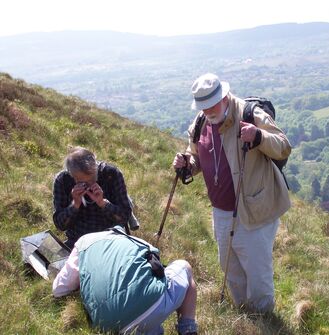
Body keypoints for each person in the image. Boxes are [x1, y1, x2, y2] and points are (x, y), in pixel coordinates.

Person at [173, 73, 291, 313]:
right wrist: (187, 164)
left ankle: (264, 320)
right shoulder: (200, 123)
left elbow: (283, 146)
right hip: (221, 211)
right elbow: (197, 156)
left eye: (211, 105)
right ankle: (244, 316)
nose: (207, 112)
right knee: (231, 268)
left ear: (224, 97)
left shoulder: (250, 114)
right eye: (203, 107)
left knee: (257, 272)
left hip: (253, 209)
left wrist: (259, 136)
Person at [52, 226, 198, 335]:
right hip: (151, 306)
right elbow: (157, 269)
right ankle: (187, 329)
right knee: (185, 267)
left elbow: (59, 290)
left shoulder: (82, 245)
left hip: (106, 324)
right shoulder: (134, 241)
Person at [53, 147, 133, 249]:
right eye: (83, 182)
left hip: (109, 240)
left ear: (96, 166)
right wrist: (75, 205)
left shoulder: (111, 175)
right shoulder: (63, 180)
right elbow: (60, 225)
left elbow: (124, 216)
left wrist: (103, 203)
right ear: (72, 175)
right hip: (77, 241)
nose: (89, 185)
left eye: (92, 179)